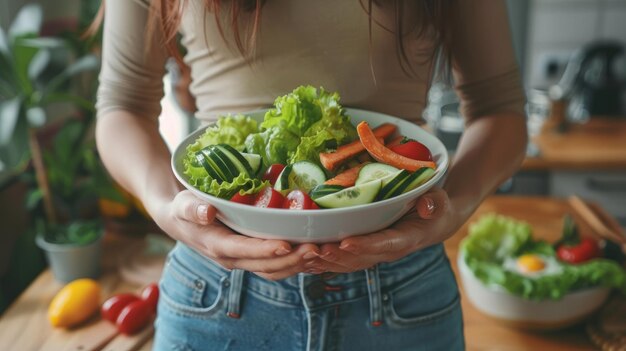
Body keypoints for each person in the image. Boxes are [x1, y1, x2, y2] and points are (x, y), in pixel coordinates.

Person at [95, 0, 527, 350]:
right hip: (216, 286)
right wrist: (166, 207)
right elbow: (123, 105)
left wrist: (451, 212)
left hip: (401, 287)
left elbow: (499, 110)